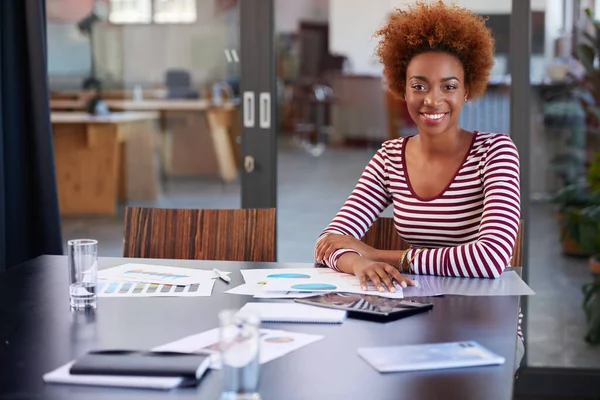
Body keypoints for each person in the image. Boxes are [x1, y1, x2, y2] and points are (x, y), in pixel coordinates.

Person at [313, 0, 523, 370]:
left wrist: (376, 255)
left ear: (467, 90)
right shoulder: (390, 157)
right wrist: (356, 264)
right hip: (411, 314)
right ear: (402, 89)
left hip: (486, 321)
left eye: (449, 86)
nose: (432, 99)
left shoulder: (496, 152)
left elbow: (490, 258)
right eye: (419, 85)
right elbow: (328, 242)